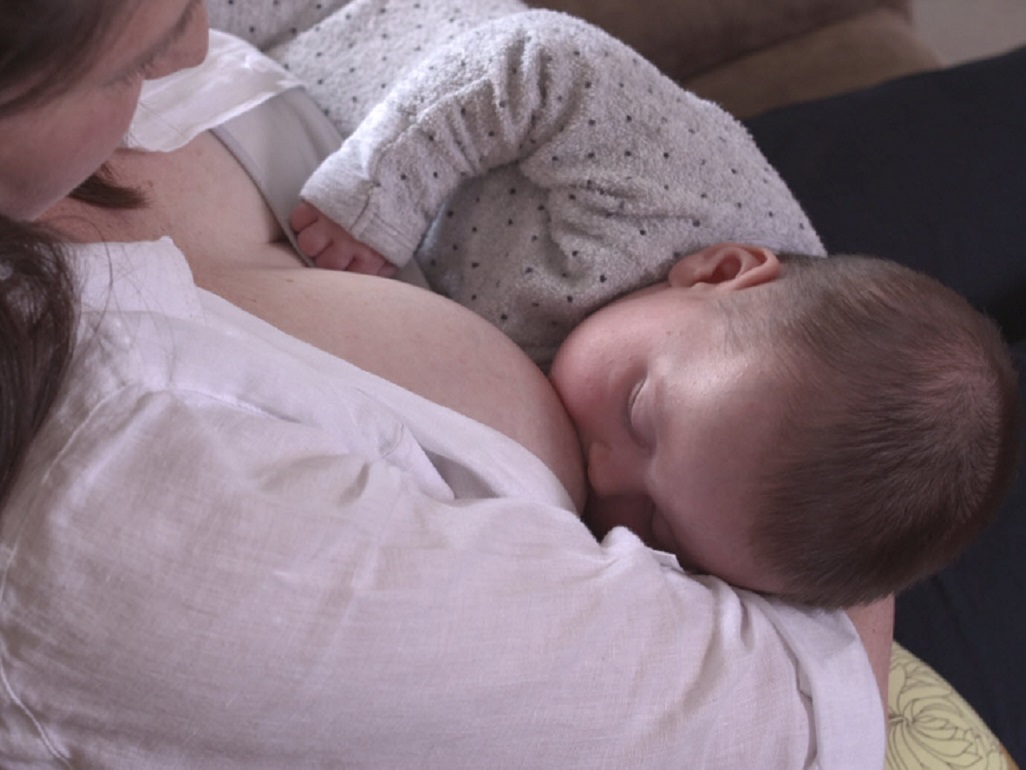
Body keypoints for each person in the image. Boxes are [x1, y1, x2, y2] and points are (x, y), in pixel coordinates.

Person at [1, 1, 895, 767]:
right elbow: (805, 708)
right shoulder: (113, 488)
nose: (609, 476)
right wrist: (832, 437)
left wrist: (815, 410)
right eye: (125, 64)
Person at [284, 9, 1020, 608]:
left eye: (658, 526)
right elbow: (537, 61)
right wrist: (382, 192)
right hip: (340, 45)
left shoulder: (706, 448)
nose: (606, 477)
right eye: (639, 410)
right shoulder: (675, 194)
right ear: (721, 272)